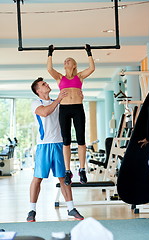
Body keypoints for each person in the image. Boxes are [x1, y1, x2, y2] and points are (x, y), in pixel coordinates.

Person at [26, 77, 84, 222]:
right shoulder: (36, 103)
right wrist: (58, 100)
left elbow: (71, 111)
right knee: (37, 178)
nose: (47, 84)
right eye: (43, 84)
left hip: (59, 144)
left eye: (46, 83)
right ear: (38, 91)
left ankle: (71, 208)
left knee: (64, 178)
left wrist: (79, 97)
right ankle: (32, 210)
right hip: (44, 145)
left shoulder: (58, 102)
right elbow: (45, 113)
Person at [47, 44, 95, 186]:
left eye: (69, 60)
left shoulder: (79, 77)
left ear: (74, 65)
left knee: (81, 139)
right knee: (66, 140)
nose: (66, 61)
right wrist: (50, 53)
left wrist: (89, 52)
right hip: (64, 109)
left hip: (78, 108)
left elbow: (92, 68)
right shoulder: (60, 78)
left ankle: (82, 169)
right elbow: (49, 69)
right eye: (65, 61)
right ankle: (68, 171)